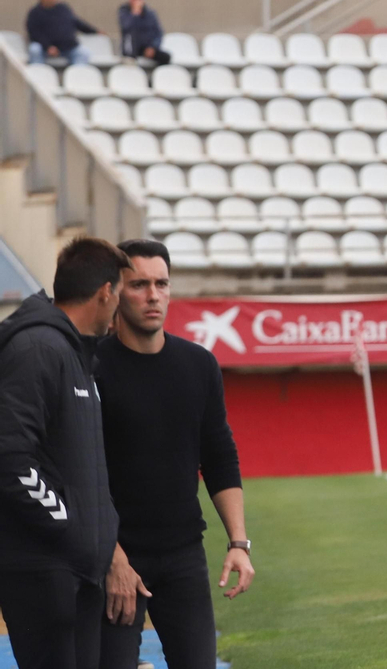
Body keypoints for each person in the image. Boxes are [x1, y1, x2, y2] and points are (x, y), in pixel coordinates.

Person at [95, 240, 254, 669]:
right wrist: (112, 558)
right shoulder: (89, 368)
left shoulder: (199, 364)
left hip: (183, 555)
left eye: (161, 283)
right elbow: (77, 475)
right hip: (114, 559)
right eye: (139, 284)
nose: (153, 295)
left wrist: (239, 542)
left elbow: (219, 456)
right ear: (113, 290)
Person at [0, 238, 126, 669]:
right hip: (43, 570)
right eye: (122, 292)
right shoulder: (38, 349)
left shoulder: (75, 355)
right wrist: (71, 525)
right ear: (105, 292)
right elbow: (11, 459)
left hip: (72, 569)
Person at [26, 0, 98, 65]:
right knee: (34, 49)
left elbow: (76, 22)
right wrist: (48, 46)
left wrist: (95, 31)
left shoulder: (63, 8)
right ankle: (38, 74)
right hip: (44, 48)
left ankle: (75, 76)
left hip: (67, 47)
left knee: (83, 52)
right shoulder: (35, 12)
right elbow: (34, 32)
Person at [116, 0, 168, 64]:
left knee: (165, 57)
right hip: (131, 48)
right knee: (130, 58)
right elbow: (127, 27)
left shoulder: (150, 14)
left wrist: (153, 47)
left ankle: (158, 74)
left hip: (147, 48)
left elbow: (158, 32)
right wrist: (135, 13)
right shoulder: (124, 12)